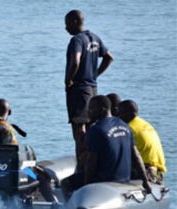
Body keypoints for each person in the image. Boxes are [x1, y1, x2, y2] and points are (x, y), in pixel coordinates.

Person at [62, 96, 152, 198]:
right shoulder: (125, 126)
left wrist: (87, 188)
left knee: (65, 183)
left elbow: (91, 162)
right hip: (125, 178)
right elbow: (136, 156)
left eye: (91, 109)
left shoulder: (96, 129)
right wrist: (145, 181)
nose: (88, 112)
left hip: (104, 179)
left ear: (102, 109)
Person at [64, 10, 114, 172]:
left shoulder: (77, 40)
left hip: (79, 89)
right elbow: (109, 57)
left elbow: (76, 61)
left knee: (79, 130)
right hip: (92, 89)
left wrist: (69, 79)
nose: (65, 28)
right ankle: (93, 165)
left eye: (67, 24)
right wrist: (95, 74)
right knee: (91, 128)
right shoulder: (94, 38)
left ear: (74, 22)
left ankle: (81, 167)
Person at [118, 100, 167, 184]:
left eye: (120, 113)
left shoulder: (129, 128)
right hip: (157, 170)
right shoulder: (144, 124)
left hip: (146, 171)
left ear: (128, 113)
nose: (118, 116)